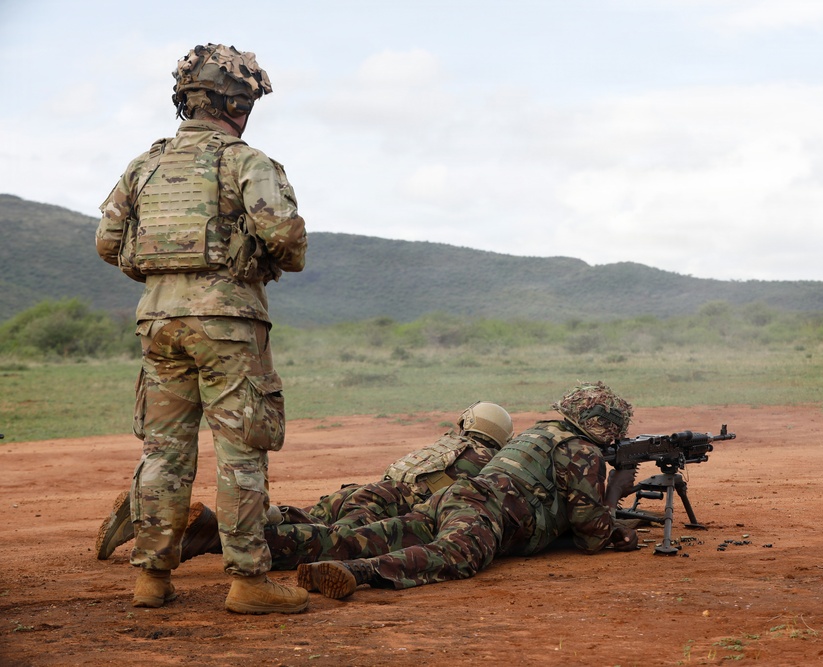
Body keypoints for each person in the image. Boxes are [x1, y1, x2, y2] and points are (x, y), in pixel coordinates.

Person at [95, 43, 309, 614]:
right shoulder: (247, 162)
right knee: (241, 451)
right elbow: (285, 237)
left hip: (159, 321)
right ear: (237, 103)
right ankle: (246, 581)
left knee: (163, 451)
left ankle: (151, 577)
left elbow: (107, 243)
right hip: (229, 325)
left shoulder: (144, 165)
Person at [294, 381, 640, 599]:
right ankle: (360, 571)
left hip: (455, 496)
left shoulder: (537, 433)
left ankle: (280, 547)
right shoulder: (584, 452)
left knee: (376, 535)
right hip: (483, 511)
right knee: (455, 555)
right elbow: (592, 538)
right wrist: (614, 495)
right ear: (607, 426)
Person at [98, 402, 515, 569]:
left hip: (367, 488)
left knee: (304, 515)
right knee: (332, 540)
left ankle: (159, 516)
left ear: (468, 421)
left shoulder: (447, 441)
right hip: (393, 502)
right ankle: (208, 533)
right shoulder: (487, 459)